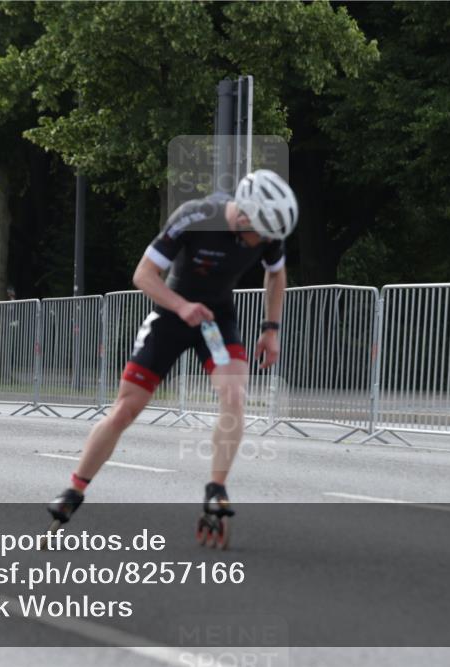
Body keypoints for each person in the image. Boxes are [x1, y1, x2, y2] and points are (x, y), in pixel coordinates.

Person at [46, 170, 298, 540]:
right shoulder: (195, 216)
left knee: (234, 395)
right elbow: (144, 275)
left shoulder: (268, 230)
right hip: (171, 313)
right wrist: (181, 307)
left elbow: (276, 276)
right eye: (257, 233)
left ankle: (216, 489)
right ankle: (75, 489)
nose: (261, 242)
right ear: (242, 214)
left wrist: (271, 329)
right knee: (126, 409)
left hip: (215, 318)